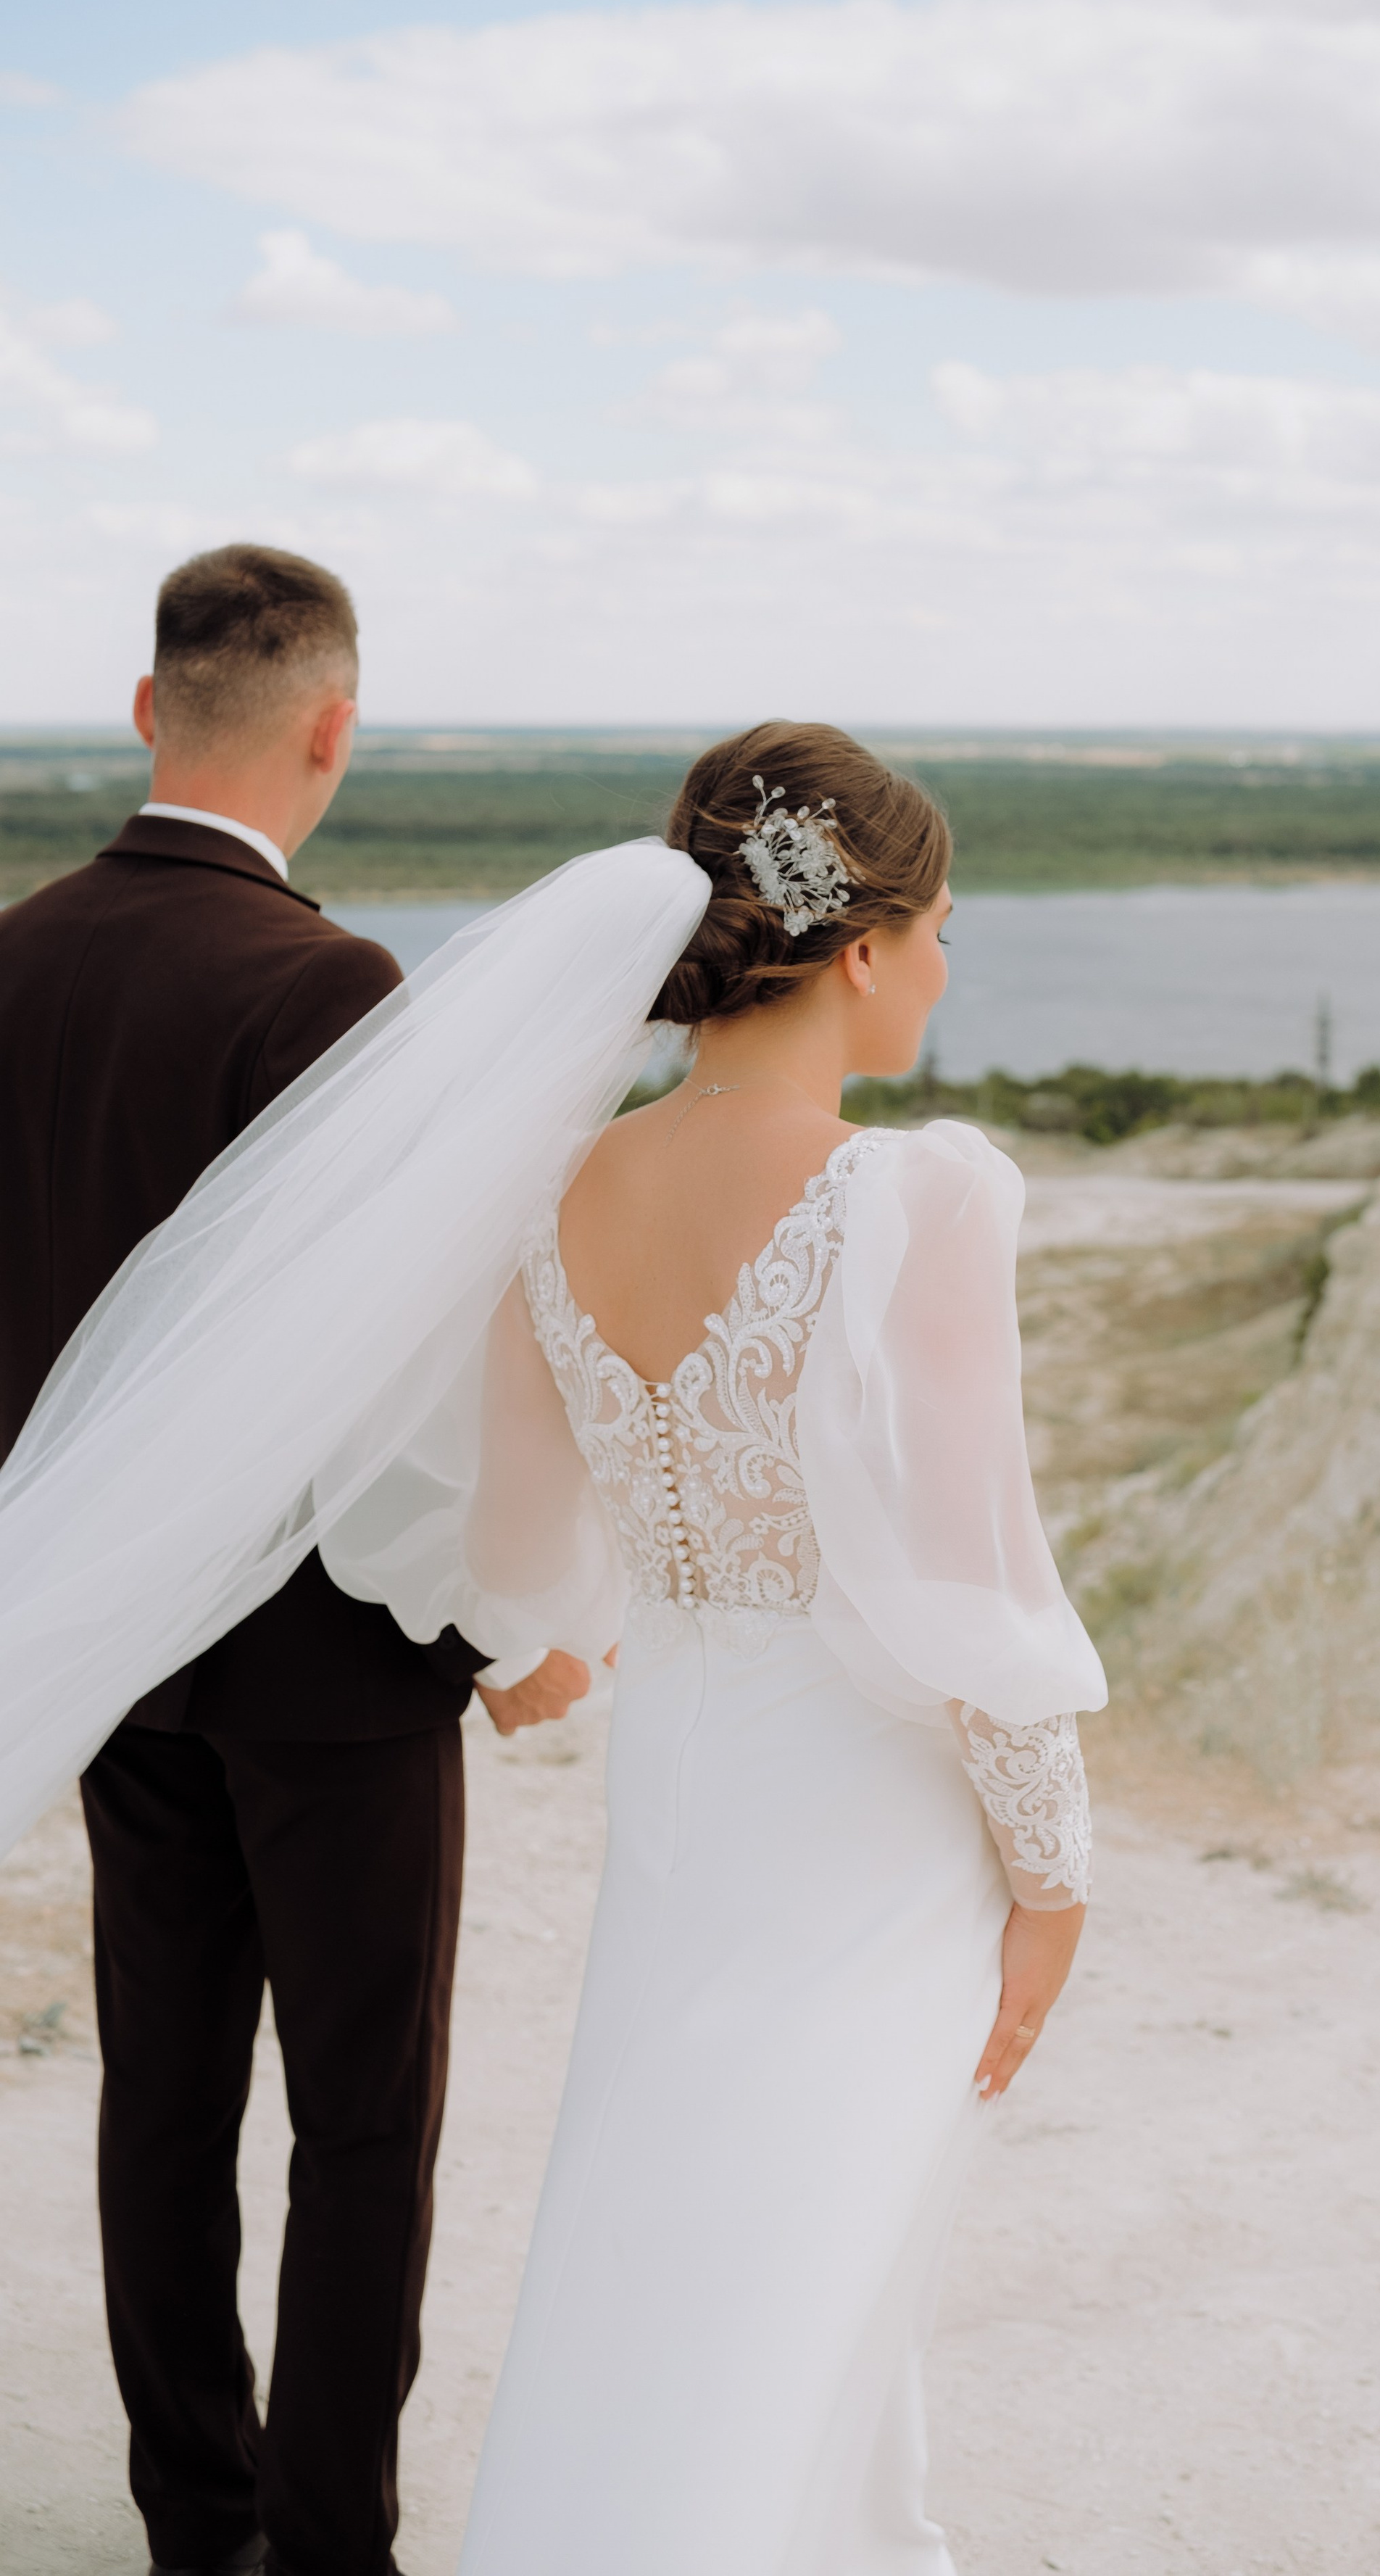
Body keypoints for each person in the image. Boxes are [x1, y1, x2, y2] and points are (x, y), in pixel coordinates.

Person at [0, 714, 1106, 2573]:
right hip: (859, 1803)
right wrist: (1051, 1865)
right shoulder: (921, 1195)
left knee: (668, 2202)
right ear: (857, 945)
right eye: (936, 928)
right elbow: (962, 1582)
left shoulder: (562, 1189)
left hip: (687, 1778)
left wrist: (551, 1640)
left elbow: (502, 1538)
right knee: (817, 2226)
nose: (943, 965)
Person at [0, 544, 587, 2576]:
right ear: (334, 730)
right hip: (327, 1674)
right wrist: (503, 1623)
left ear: (149, 708)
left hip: (114, 1650)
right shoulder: (325, 984)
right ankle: (331, 2549)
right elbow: (386, 1380)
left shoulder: (12, 955)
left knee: (159, 2089)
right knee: (361, 2125)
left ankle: (196, 2525)